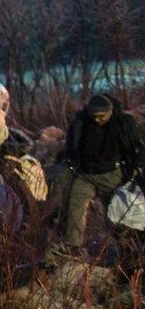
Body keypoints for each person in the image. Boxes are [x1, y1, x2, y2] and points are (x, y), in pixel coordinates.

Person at [56, 94, 144, 257]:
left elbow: (135, 147)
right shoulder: (81, 122)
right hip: (86, 175)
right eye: (94, 116)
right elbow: (71, 148)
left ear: (110, 111)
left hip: (113, 176)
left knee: (116, 213)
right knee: (75, 205)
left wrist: (136, 168)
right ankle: (72, 247)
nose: (97, 120)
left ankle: (124, 249)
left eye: (101, 117)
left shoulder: (123, 123)